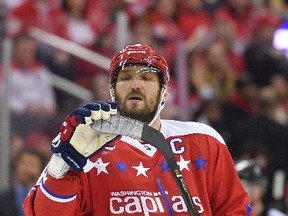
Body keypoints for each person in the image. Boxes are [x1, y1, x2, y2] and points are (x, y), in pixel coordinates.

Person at [23, 44, 253, 215]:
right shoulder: (86, 144)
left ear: (165, 92)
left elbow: (235, 210)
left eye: (147, 78)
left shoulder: (203, 140)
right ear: (112, 91)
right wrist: (62, 165)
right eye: (125, 78)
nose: (135, 84)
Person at [0, 148, 46, 216]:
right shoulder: (3, 199)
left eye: (32, 165)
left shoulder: (47, 198)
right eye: (24, 163)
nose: (27, 169)